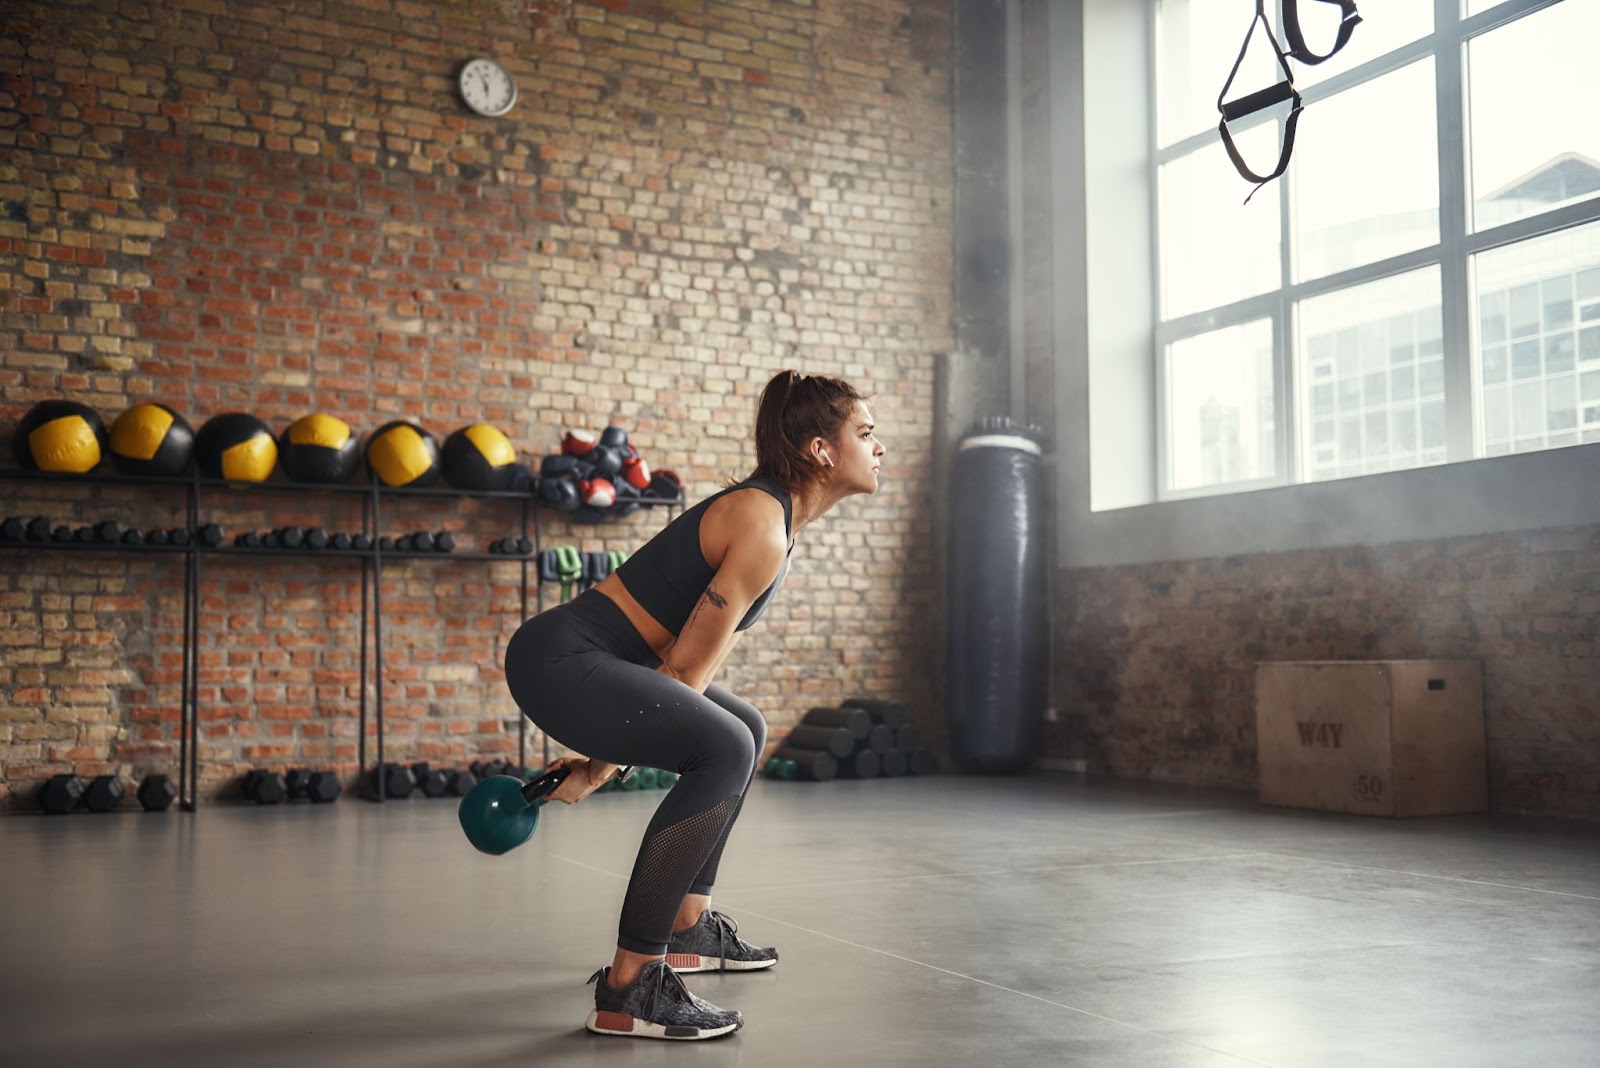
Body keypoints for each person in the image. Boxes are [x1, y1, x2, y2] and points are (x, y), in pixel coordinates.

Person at [503, 369, 886, 1041]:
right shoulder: (763, 524)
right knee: (726, 746)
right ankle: (631, 985)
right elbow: (681, 671)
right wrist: (599, 768)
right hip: (561, 661)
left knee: (743, 726)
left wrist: (602, 760)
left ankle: (689, 926)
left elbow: (697, 659)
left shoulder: (775, 520)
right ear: (823, 451)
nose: (877, 447)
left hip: (593, 664)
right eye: (865, 432)